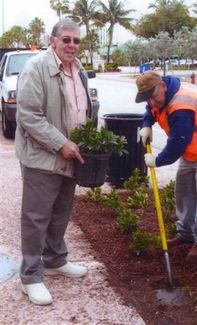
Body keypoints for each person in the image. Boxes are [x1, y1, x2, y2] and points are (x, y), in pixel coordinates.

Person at [15, 19, 93, 305]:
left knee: (61, 211)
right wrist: (61, 144)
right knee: (36, 218)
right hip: (43, 157)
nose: (72, 45)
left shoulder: (79, 69)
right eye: (66, 39)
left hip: (72, 154)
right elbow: (29, 117)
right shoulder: (36, 68)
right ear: (53, 40)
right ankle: (31, 277)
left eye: (76, 40)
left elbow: (83, 110)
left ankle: (55, 259)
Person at [136, 71, 197, 262]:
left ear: (163, 86)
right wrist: (147, 124)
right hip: (190, 151)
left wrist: (157, 161)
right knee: (183, 192)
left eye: (153, 96)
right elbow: (151, 110)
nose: (151, 102)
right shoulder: (158, 97)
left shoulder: (181, 105)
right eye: (147, 98)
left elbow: (177, 143)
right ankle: (185, 234)